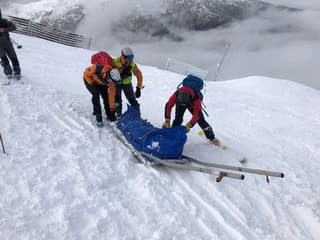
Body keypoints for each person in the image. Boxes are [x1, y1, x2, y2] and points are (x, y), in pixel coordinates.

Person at [162, 74, 220, 145]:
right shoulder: (177, 93)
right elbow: (168, 105)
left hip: (192, 104)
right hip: (181, 102)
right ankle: (172, 135)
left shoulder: (196, 99)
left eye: (184, 104)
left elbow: (196, 115)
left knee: (201, 120)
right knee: (178, 119)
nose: (184, 106)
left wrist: (189, 125)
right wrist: (167, 120)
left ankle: (211, 137)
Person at [113, 47, 143, 117]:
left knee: (133, 100)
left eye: (132, 57)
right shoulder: (115, 62)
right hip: (117, 84)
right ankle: (118, 116)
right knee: (117, 100)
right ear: (123, 57)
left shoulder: (132, 64)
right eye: (129, 58)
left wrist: (138, 88)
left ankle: (137, 116)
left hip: (127, 84)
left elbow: (139, 75)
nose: (130, 60)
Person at [0, 9, 21, 79]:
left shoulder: (4, 21)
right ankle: (8, 73)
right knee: (4, 58)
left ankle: (17, 72)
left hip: (7, 43)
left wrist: (4, 29)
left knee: (13, 56)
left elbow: (14, 27)